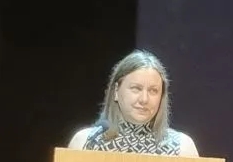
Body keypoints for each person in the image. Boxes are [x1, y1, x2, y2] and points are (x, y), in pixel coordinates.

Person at [68, 49, 199, 156]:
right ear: (116, 91)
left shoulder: (182, 149)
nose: (144, 99)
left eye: (153, 91)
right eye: (136, 88)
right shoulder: (84, 143)